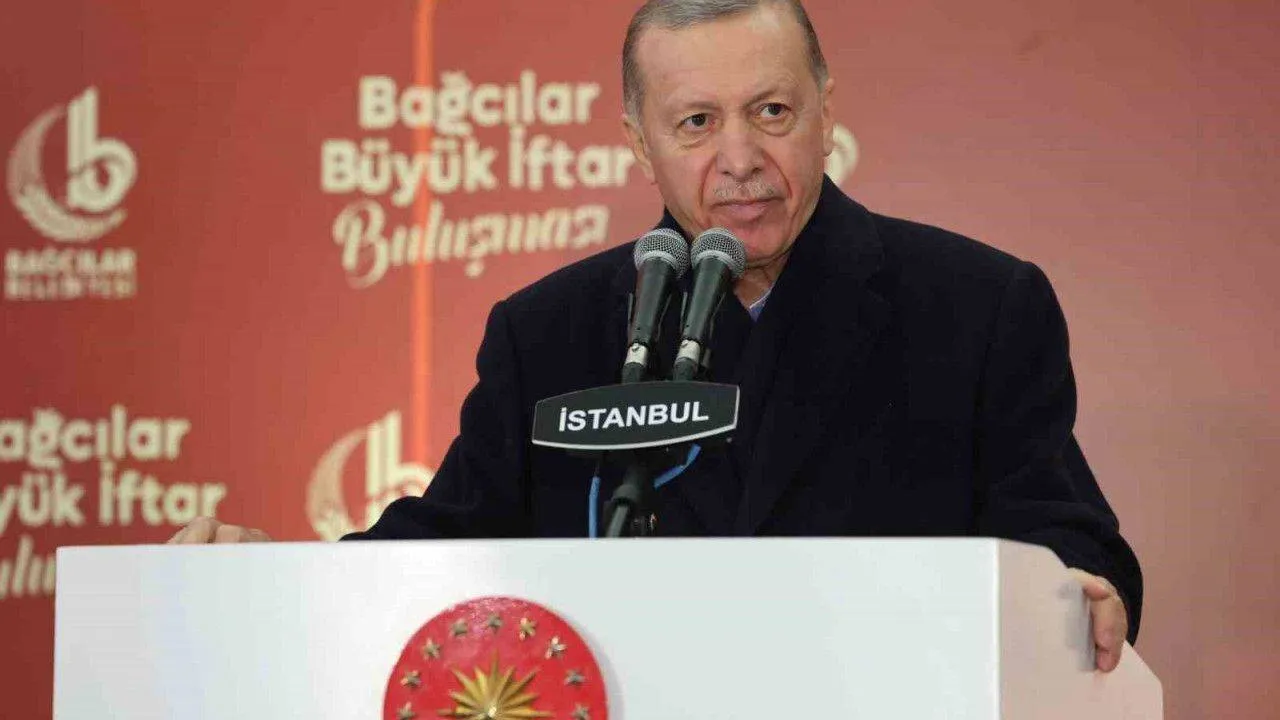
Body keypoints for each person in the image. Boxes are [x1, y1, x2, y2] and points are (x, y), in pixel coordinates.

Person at [169, 0, 1141, 672]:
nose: (739, 158)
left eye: (770, 112)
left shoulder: (975, 303)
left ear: (823, 111)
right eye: (695, 123)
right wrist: (275, 577)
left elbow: (1063, 533)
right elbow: (448, 546)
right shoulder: (548, 333)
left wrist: (1080, 590)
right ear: (640, 141)